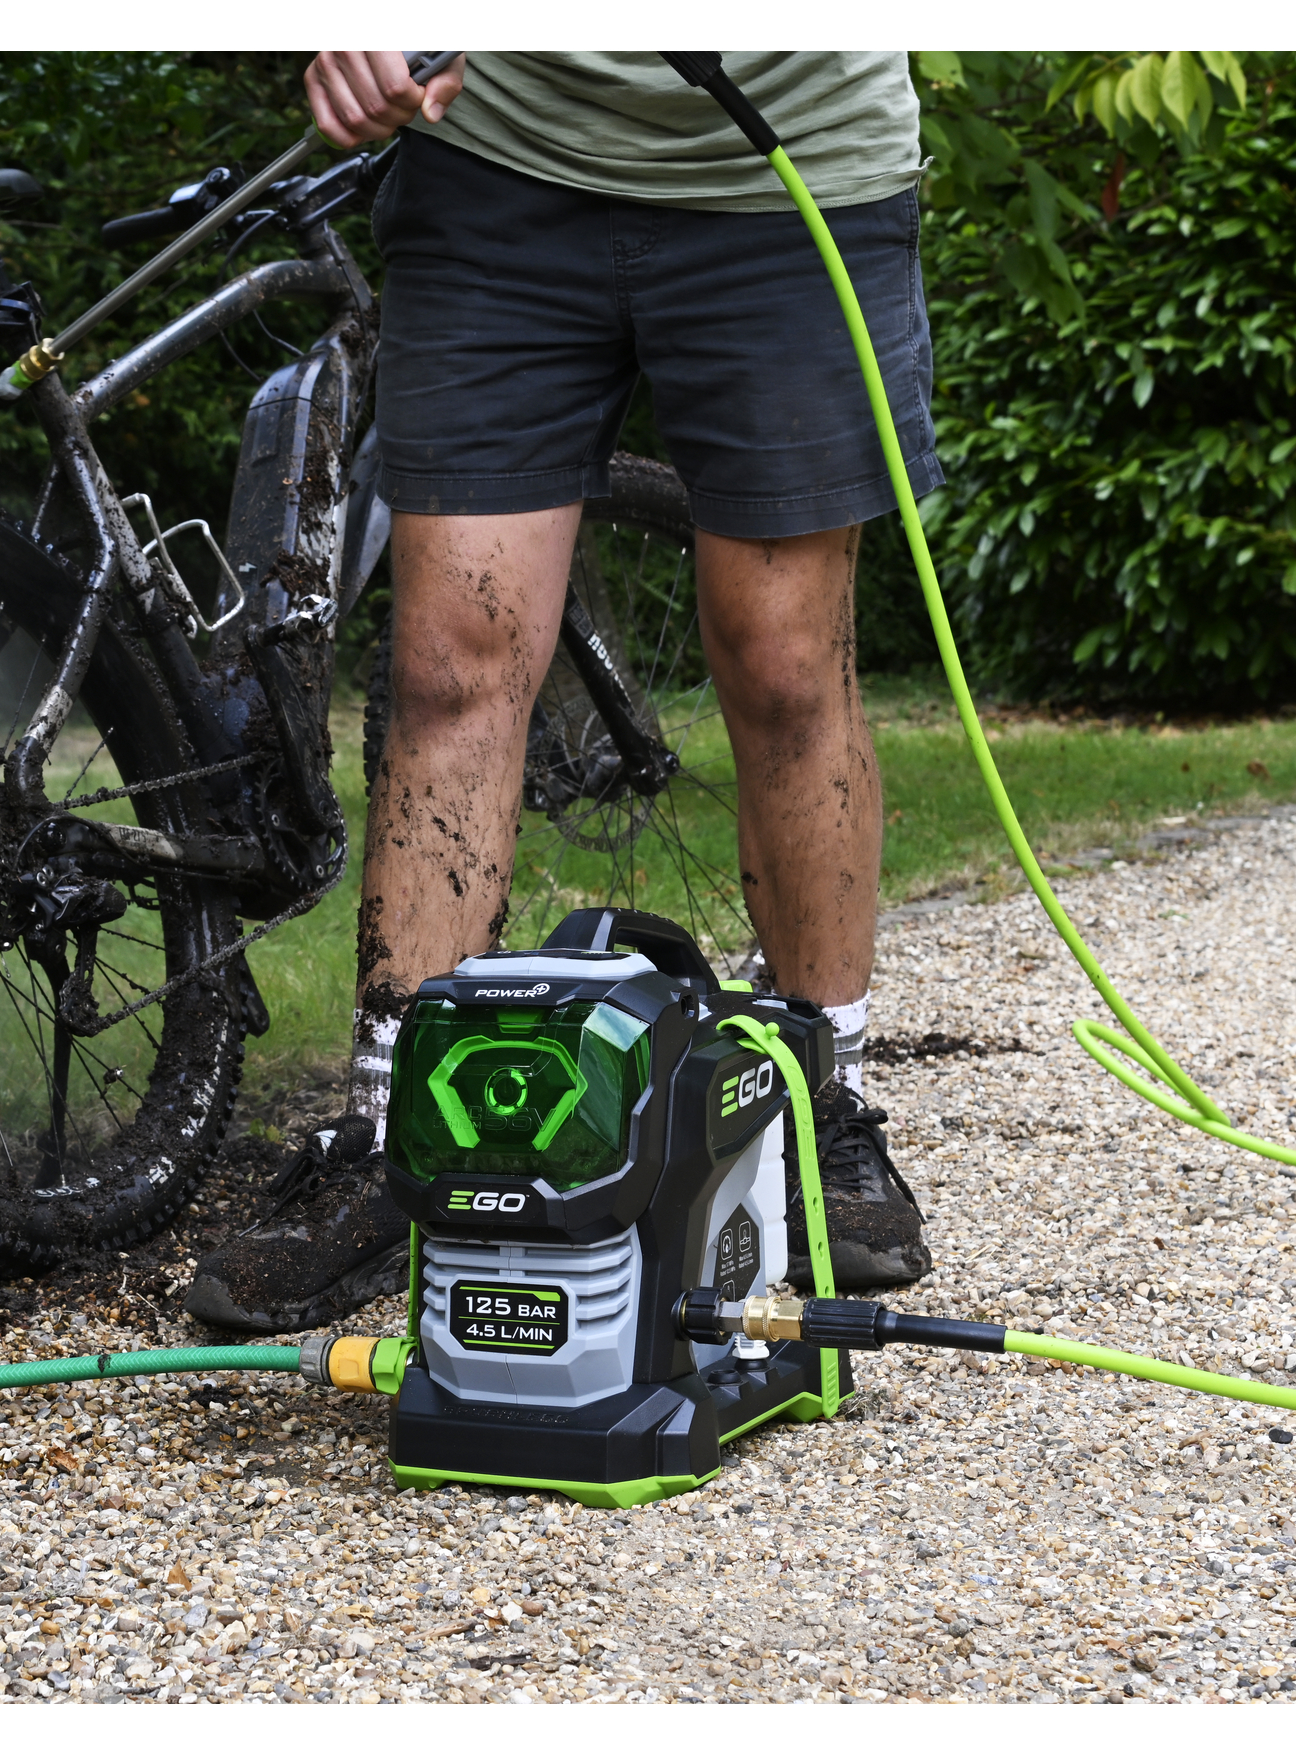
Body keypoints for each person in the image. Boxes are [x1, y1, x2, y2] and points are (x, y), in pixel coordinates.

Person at [187, 51, 936, 1334]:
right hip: (500, 168)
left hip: (788, 173)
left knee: (784, 663)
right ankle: (395, 1127)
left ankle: (817, 1101)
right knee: (449, 666)